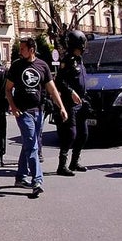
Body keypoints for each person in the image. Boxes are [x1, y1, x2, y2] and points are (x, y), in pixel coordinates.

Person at [5, 37, 67, 198]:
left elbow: (52, 89)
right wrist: (13, 107)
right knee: (32, 145)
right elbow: (8, 89)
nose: (20, 51)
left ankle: (20, 177)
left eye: (23, 49)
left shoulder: (42, 65)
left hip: (38, 111)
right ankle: (37, 181)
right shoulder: (17, 66)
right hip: (23, 112)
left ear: (31, 50)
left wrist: (61, 107)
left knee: (28, 143)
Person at [54, 30, 90, 176]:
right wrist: (70, 92)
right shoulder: (67, 60)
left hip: (82, 102)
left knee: (84, 134)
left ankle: (74, 162)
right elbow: (59, 81)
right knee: (71, 134)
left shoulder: (80, 59)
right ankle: (62, 165)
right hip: (70, 103)